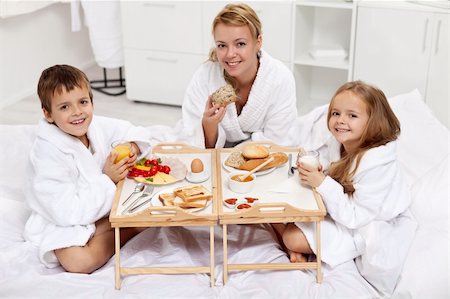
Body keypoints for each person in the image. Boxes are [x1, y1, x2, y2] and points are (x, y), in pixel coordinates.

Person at [274, 81, 415, 271]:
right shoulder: (341, 143)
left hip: (364, 222)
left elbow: (357, 217)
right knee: (274, 208)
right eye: (336, 113)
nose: (340, 120)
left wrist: (322, 183)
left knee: (292, 237)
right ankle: (296, 248)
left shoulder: (376, 165)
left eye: (352, 115)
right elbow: (330, 168)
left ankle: (292, 247)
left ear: (374, 122)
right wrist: (316, 172)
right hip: (341, 208)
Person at [23, 64, 152, 273]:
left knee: (146, 195)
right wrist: (107, 179)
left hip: (96, 206)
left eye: (83, 102)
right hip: (63, 216)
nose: (77, 112)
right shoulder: (46, 152)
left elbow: (134, 131)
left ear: (91, 101)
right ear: (48, 114)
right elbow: (65, 211)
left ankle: (116, 225)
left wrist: (132, 146)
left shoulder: (94, 126)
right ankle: (130, 228)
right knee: (78, 262)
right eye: (64, 107)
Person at [181, 3, 298, 148]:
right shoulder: (205, 75)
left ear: (258, 42)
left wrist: (239, 151)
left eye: (240, 44)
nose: (230, 54)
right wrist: (208, 126)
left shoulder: (280, 78)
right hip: (216, 153)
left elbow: (278, 140)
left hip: (262, 157)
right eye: (222, 45)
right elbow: (196, 141)